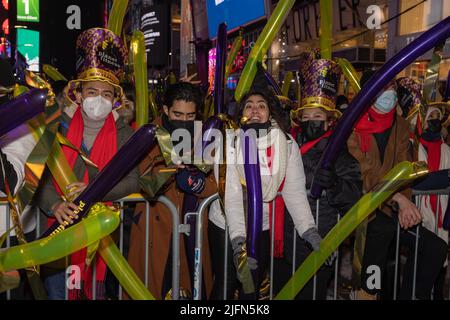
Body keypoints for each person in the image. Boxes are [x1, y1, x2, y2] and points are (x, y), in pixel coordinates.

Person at [35, 28, 139, 300]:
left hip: (100, 235)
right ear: (78, 94)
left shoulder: (126, 134)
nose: (99, 100)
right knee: (57, 295)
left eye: (106, 94)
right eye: (92, 91)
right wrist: (55, 204)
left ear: (115, 99)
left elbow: (132, 180)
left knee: (94, 293)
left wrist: (92, 191)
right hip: (56, 230)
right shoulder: (55, 127)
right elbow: (37, 175)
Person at [208, 63, 322, 300]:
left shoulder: (287, 144)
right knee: (227, 285)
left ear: (271, 112)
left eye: (261, 105)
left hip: (262, 226)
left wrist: (308, 230)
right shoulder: (228, 141)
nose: (255, 110)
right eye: (249, 105)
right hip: (226, 223)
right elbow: (231, 194)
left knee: (253, 285)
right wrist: (240, 244)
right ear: (241, 112)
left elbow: (294, 192)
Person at [347, 71, 448, 300]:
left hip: (391, 208)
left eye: (392, 87)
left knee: (436, 248)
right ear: (368, 94)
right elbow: (363, 175)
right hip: (364, 211)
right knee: (379, 248)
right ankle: (366, 293)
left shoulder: (401, 126)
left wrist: (405, 203)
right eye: (383, 88)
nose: (389, 93)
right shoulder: (352, 127)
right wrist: (398, 199)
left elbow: (407, 167)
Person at [273, 54, 362, 299]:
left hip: (317, 241)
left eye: (318, 117)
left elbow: (354, 198)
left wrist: (334, 183)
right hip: (282, 240)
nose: (312, 122)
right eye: (307, 117)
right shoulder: (288, 145)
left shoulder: (339, 154)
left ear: (330, 120)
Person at [127, 82, 217, 300]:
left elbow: (217, 183)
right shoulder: (147, 136)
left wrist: (198, 184)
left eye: (190, 116)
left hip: (192, 231)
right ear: (165, 110)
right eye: (178, 114)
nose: (184, 121)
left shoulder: (205, 137)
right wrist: (166, 173)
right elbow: (135, 180)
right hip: (155, 229)